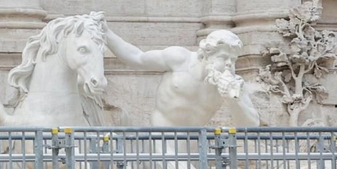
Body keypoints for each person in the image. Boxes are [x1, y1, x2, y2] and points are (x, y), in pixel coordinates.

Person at [103, 27, 261, 127]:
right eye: (223, 57)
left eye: (233, 60)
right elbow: (137, 58)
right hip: (163, 140)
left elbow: (251, 126)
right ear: (205, 54)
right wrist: (107, 33)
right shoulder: (180, 59)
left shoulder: (233, 83)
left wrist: (234, 100)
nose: (229, 64)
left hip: (196, 145)